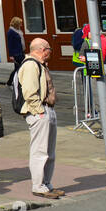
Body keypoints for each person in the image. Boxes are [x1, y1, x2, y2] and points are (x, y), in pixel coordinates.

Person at [17, 38, 64, 199]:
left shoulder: (39, 64)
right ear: (42, 49)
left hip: (46, 109)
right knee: (40, 150)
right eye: (49, 49)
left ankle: (46, 184)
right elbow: (30, 92)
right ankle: (38, 186)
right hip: (39, 111)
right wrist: (39, 112)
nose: (51, 52)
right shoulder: (31, 65)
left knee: (49, 151)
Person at [5, 17, 26, 87]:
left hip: (20, 52)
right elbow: (9, 44)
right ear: (16, 24)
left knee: (19, 68)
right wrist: (11, 55)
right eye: (20, 23)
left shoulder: (18, 31)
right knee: (18, 68)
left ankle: (14, 82)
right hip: (16, 53)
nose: (21, 25)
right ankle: (10, 82)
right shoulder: (11, 32)